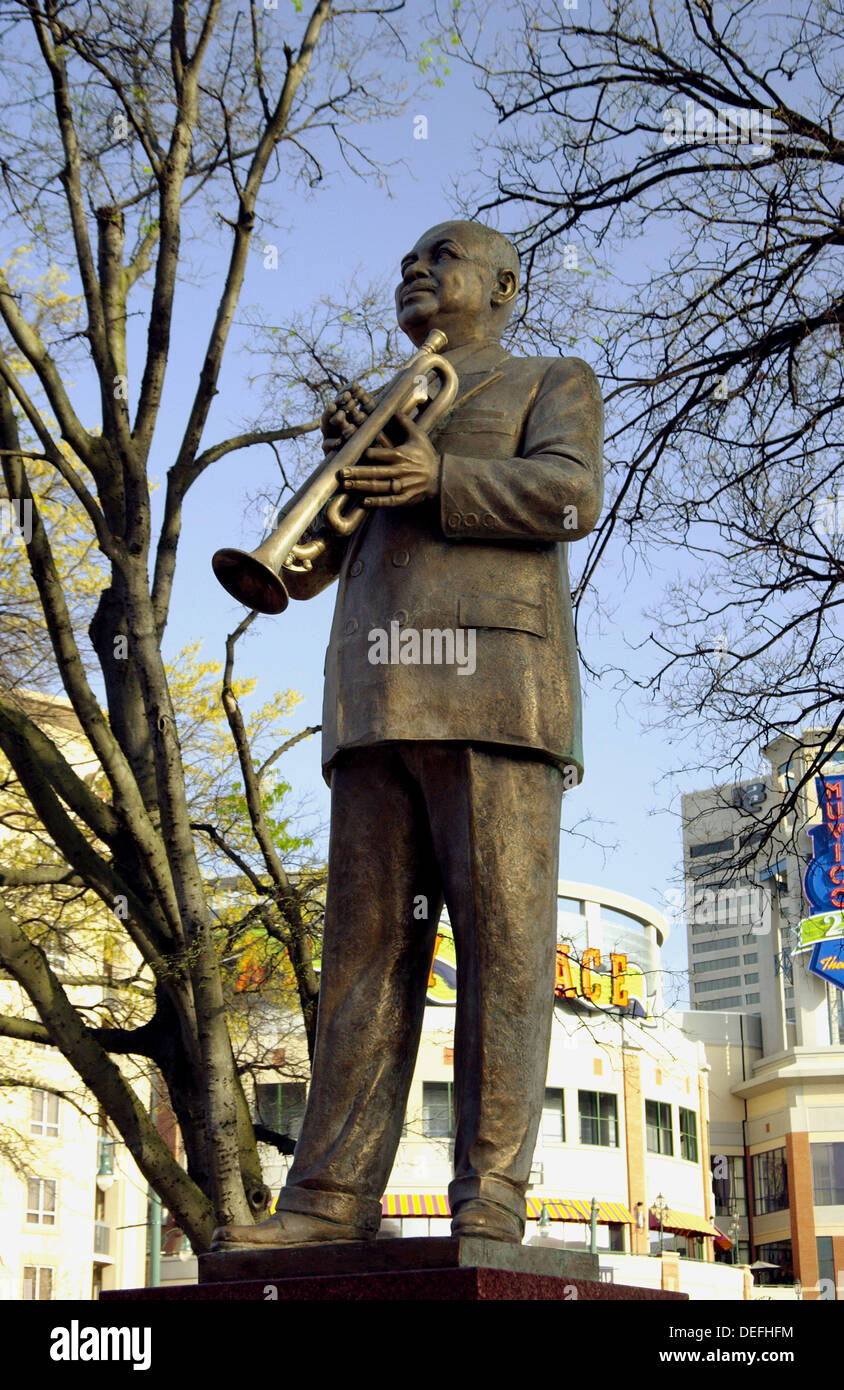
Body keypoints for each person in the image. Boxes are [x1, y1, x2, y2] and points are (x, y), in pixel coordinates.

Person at [212, 219, 604, 1249]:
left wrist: (439, 479)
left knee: (503, 952)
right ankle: (328, 1199)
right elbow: (298, 572)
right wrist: (346, 462)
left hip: (496, 692)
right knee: (363, 956)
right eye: (404, 264)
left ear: (506, 286)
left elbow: (570, 496)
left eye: (441, 257)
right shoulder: (386, 406)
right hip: (378, 696)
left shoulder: (549, 379)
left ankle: (492, 1195)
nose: (415, 273)